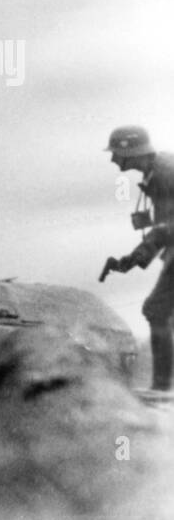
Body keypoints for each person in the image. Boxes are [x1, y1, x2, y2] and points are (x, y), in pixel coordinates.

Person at [102, 125, 174, 393]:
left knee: (156, 310)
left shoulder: (164, 173)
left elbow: (167, 228)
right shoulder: (159, 170)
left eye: (116, 153)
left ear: (130, 152)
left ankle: (162, 389)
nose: (113, 160)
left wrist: (132, 260)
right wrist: (128, 261)